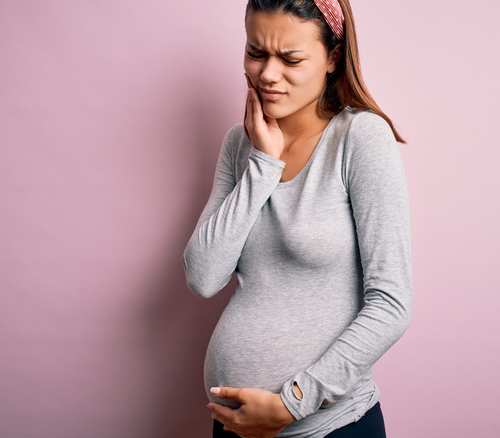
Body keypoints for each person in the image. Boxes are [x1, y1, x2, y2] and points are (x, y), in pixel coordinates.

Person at [182, 0, 411, 436]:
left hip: (329, 428)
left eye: (290, 59)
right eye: (255, 53)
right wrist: (263, 164)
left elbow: (391, 305)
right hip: (233, 428)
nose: (268, 74)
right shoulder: (240, 144)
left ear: (333, 58)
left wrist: (292, 404)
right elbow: (203, 276)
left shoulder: (360, 139)